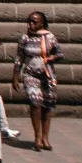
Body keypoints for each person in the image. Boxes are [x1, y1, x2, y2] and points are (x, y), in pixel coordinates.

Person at [17, 11, 61, 150]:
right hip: (31, 75)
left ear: (42, 24)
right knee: (35, 103)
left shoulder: (50, 37)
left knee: (48, 106)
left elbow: (59, 54)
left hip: (47, 77)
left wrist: (51, 58)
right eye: (29, 21)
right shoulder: (25, 38)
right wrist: (15, 77)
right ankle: (37, 137)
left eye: (34, 22)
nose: (31, 24)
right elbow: (19, 58)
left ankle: (45, 137)